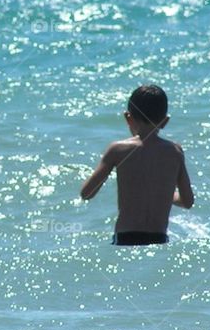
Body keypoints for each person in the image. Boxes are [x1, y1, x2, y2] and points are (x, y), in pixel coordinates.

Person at [80, 84, 194, 245]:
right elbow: (187, 201)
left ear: (128, 118)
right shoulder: (175, 151)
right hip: (159, 239)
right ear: (165, 122)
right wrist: (165, 193)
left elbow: (87, 193)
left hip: (126, 239)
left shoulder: (118, 149)